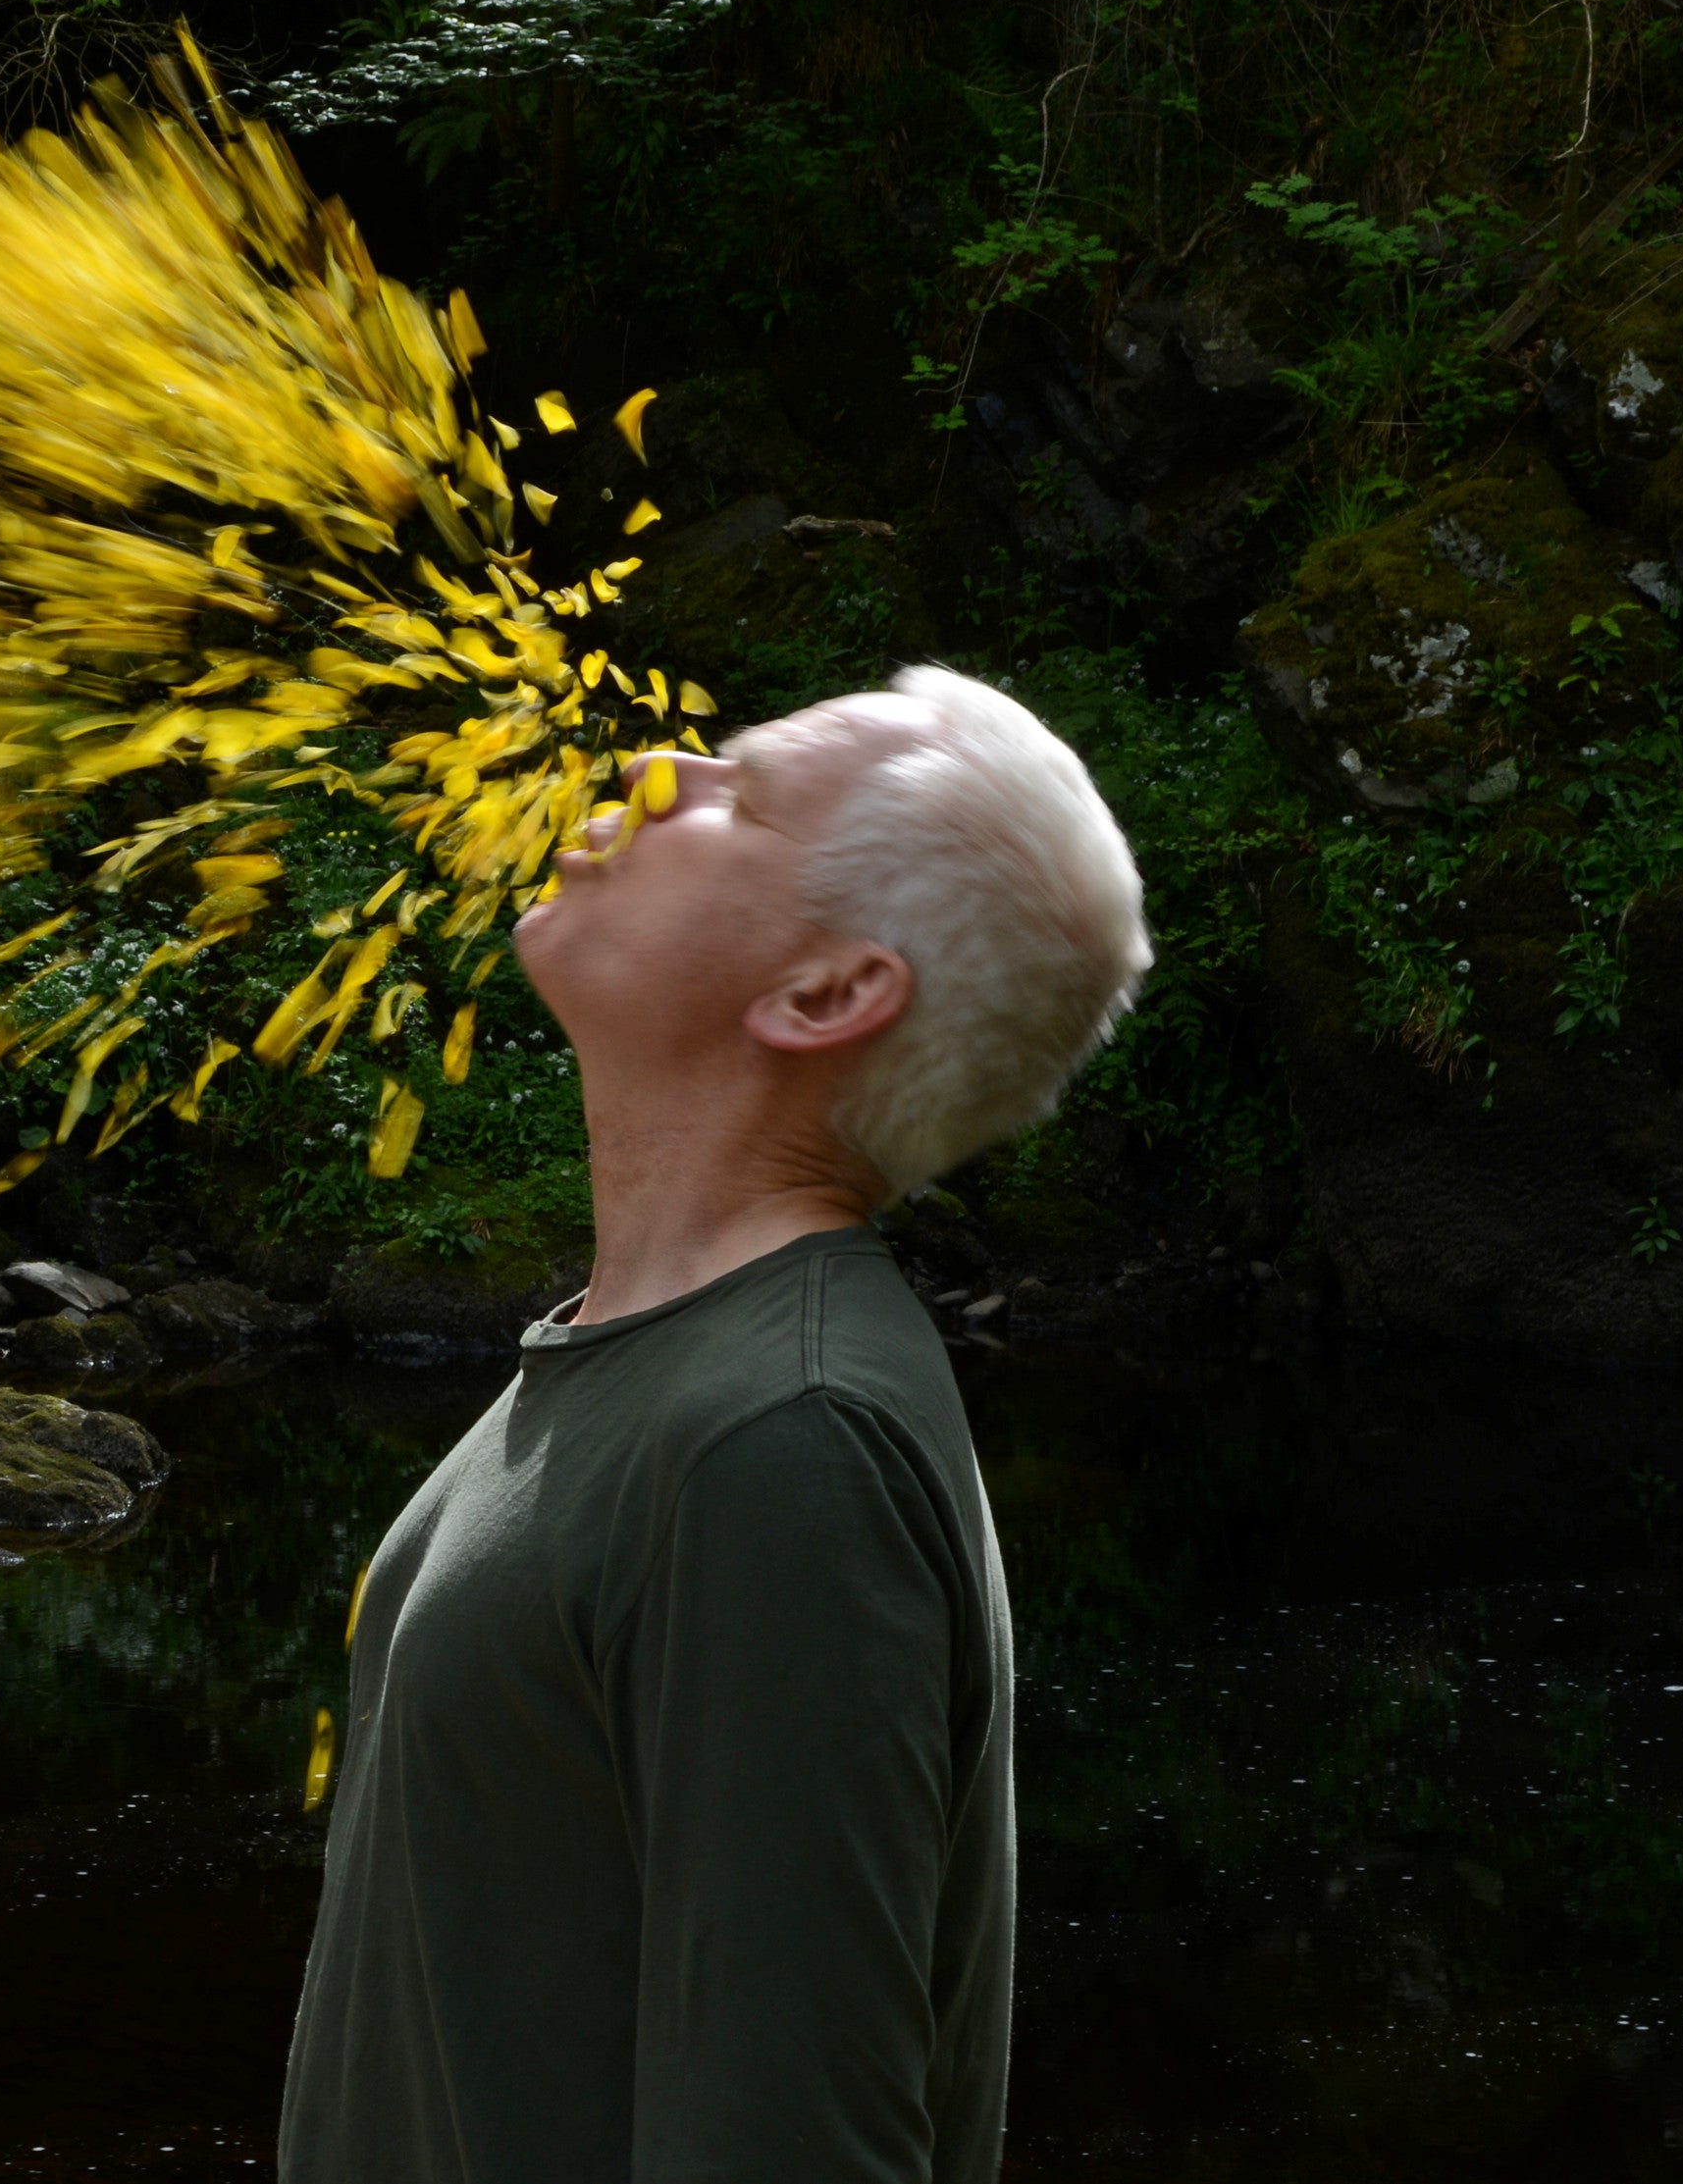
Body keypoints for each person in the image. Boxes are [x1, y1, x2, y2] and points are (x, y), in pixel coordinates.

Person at [275, 665, 1152, 2183]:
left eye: (748, 791)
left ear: (823, 994)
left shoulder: (785, 1445)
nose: (665, 770)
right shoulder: (664, 1359)